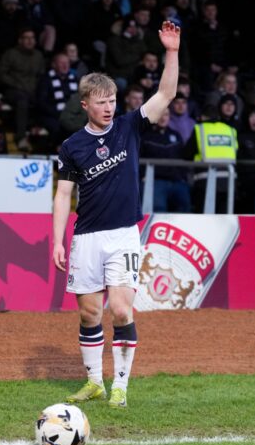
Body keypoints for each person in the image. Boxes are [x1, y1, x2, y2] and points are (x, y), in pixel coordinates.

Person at [52, 20, 180, 410]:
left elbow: (166, 93)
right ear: (85, 105)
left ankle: (121, 384)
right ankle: (94, 382)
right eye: (101, 101)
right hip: (86, 237)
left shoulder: (129, 127)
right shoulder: (72, 146)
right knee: (90, 313)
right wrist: (56, 239)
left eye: (112, 100)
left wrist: (171, 51)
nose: (109, 107)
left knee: (121, 309)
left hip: (123, 233)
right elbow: (63, 194)